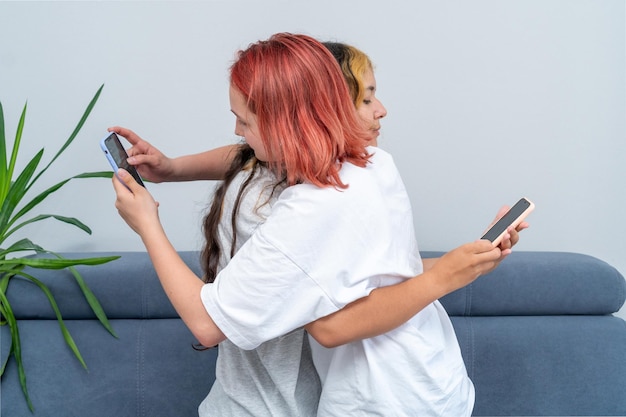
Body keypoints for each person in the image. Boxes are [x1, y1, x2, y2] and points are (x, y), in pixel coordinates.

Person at [110, 33, 523, 416]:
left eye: (245, 121)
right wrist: (173, 168)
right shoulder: (376, 162)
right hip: (438, 380)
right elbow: (391, 273)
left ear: (287, 125)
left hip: (384, 400)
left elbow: (209, 324)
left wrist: (147, 222)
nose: (237, 130)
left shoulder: (306, 214)